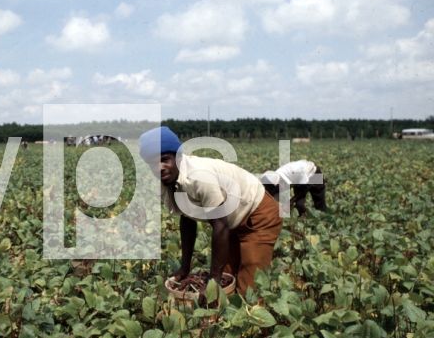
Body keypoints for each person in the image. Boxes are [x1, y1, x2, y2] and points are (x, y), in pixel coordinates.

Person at [140, 127, 283, 296]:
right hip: (232, 218)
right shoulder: (166, 181)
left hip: (258, 211)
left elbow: (220, 226)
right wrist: (186, 266)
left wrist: (213, 281)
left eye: (165, 160)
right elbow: (186, 219)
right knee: (228, 276)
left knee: (250, 287)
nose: (160, 168)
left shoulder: (200, 176)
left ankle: (254, 317)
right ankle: (222, 318)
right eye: (153, 164)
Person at [260, 160, 327, 216]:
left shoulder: (295, 171)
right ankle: (302, 219)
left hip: (314, 175)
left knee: (319, 202)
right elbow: (271, 198)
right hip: (299, 182)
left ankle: (325, 220)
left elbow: (305, 187)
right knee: (299, 205)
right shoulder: (273, 181)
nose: (277, 191)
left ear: (279, 182)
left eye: (276, 189)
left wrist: (290, 202)